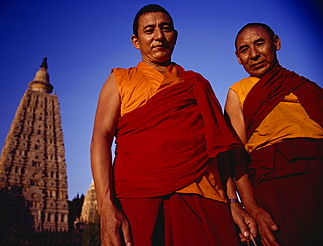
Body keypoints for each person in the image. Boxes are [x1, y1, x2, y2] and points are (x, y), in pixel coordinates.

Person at [91, 4, 256, 246]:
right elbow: (100, 138)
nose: (158, 36)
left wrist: (234, 202)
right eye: (149, 30)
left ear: (175, 36)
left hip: (203, 194)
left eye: (165, 28)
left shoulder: (197, 83)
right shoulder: (119, 80)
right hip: (137, 196)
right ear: (136, 41)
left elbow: (219, 149)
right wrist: (105, 209)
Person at [225, 23, 323, 246]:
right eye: (244, 49)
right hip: (275, 181)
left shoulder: (308, 88)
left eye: (260, 44)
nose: (254, 55)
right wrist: (251, 208)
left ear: (276, 43)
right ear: (238, 57)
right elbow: (236, 158)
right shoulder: (238, 92)